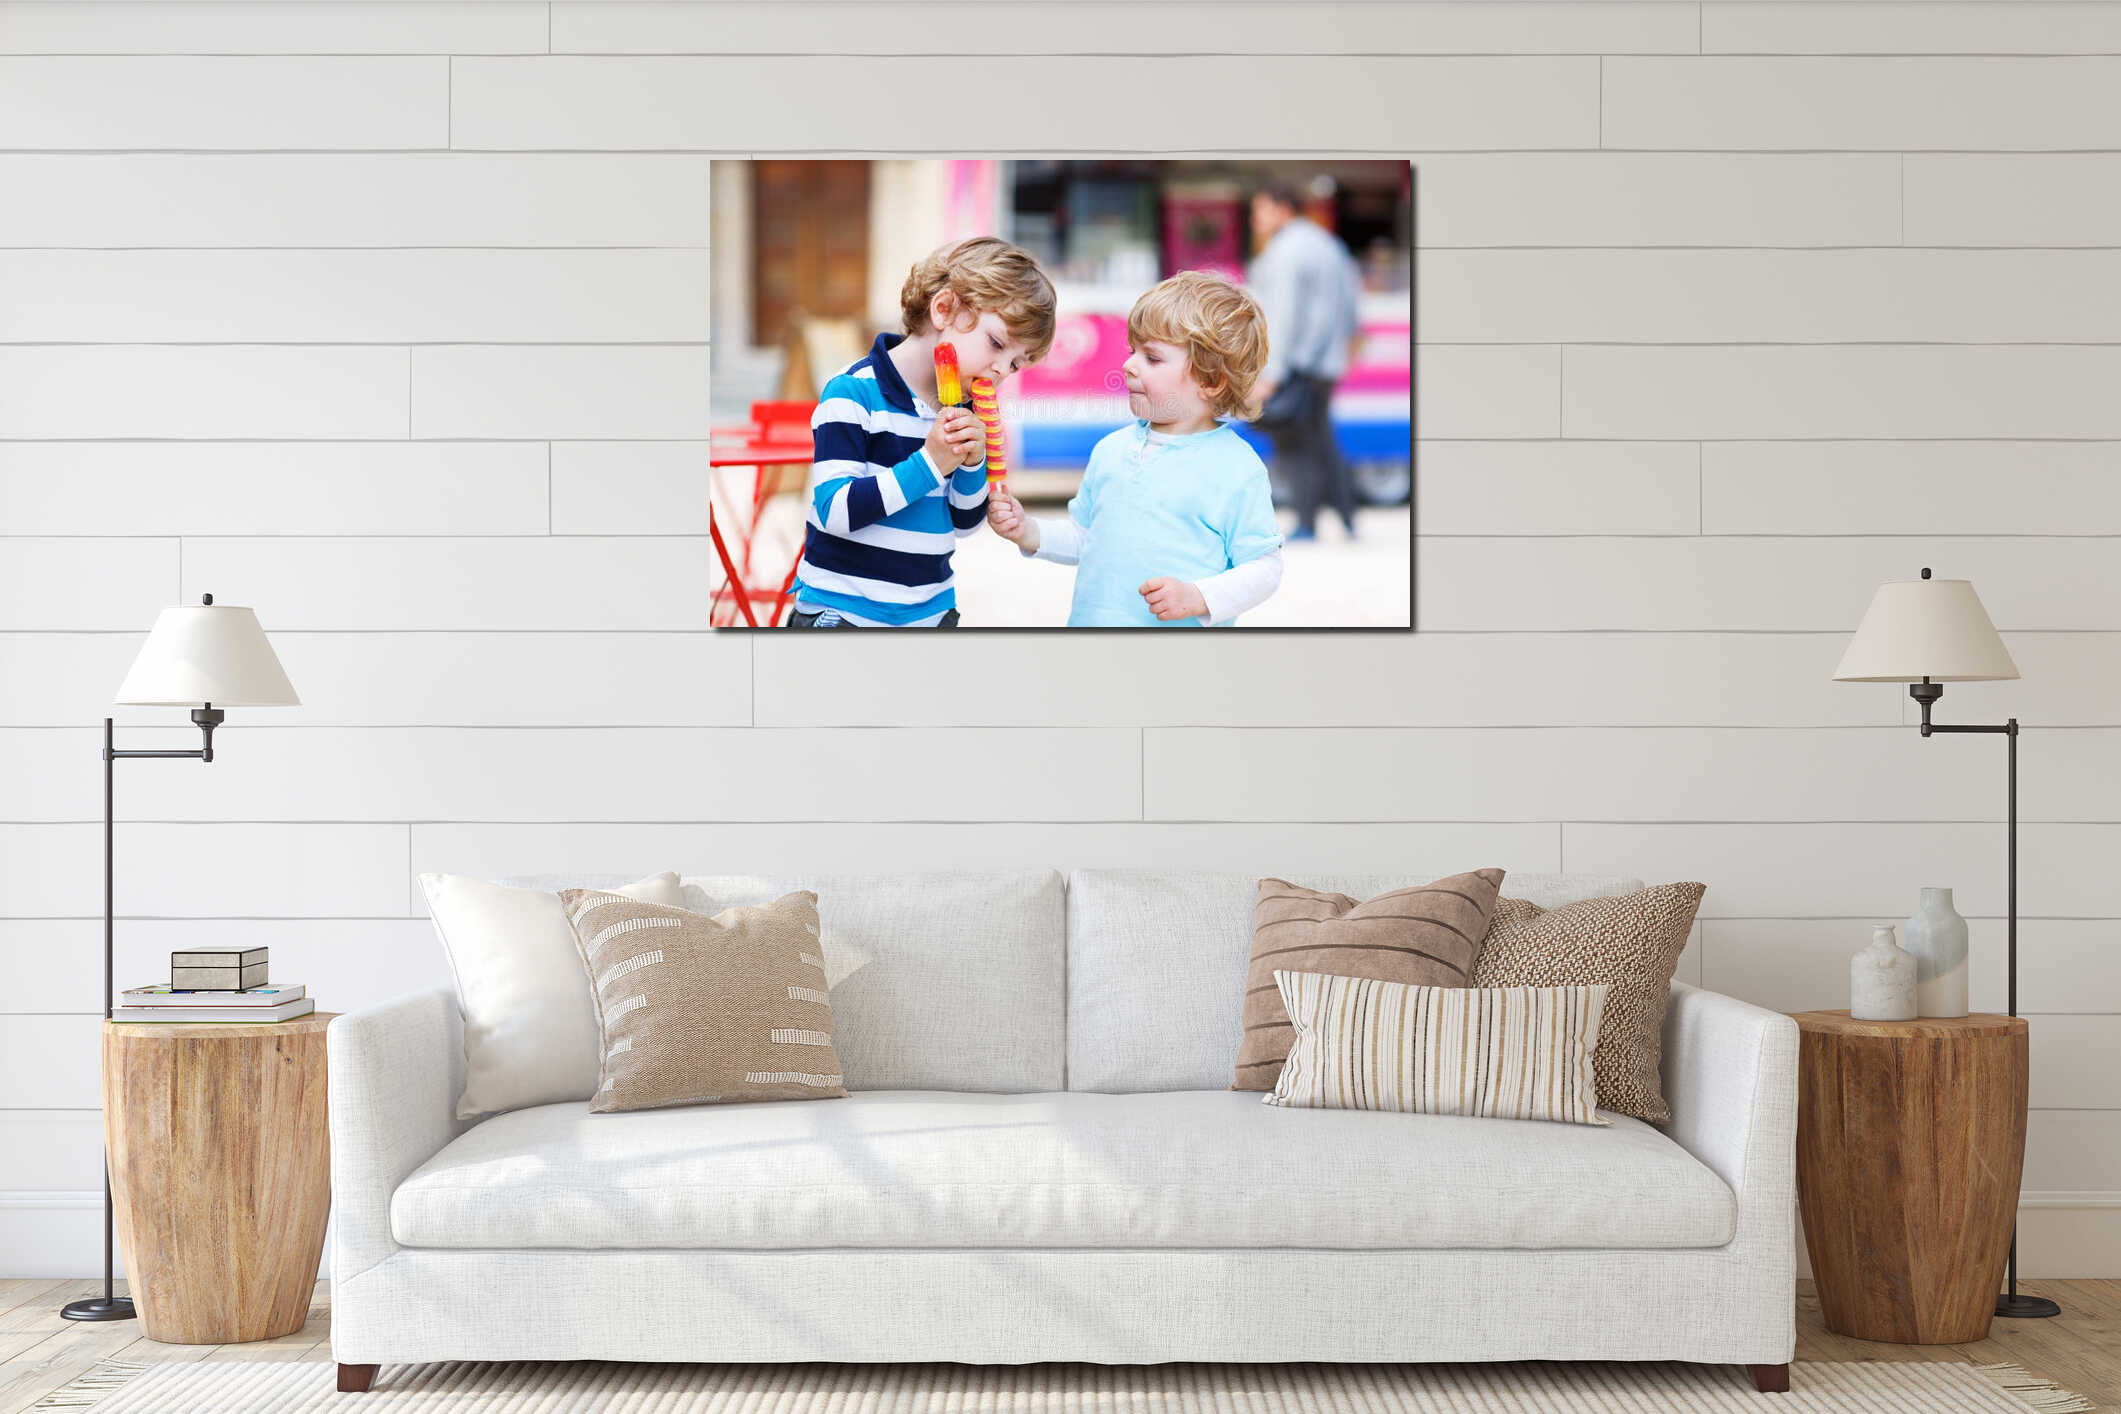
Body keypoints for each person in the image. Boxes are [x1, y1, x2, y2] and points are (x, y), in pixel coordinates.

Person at [986, 272, 1283, 628]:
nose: (1128, 365)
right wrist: (1029, 531)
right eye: (1133, 351)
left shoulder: (1236, 467)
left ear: (1210, 380)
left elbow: (1265, 567)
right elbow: (1086, 539)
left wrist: (1199, 596)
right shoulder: (1110, 451)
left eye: (1152, 358)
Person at [786, 237, 1055, 627]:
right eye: (997, 344)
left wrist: (973, 462)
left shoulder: (966, 412)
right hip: (843, 612)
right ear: (943, 309)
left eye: (1015, 364)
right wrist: (930, 463)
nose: (1001, 370)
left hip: (929, 614)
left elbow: (964, 525)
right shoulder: (853, 392)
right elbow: (836, 511)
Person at [1246, 181, 1362, 542]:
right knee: (1321, 438)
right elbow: (1351, 304)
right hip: (1326, 361)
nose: (1255, 219)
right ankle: (1347, 516)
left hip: (1298, 362)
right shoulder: (1328, 243)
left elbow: (1283, 315)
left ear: (1283, 209)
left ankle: (1307, 522)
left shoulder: (1286, 251)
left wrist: (1272, 373)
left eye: (1261, 210)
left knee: (1296, 444)